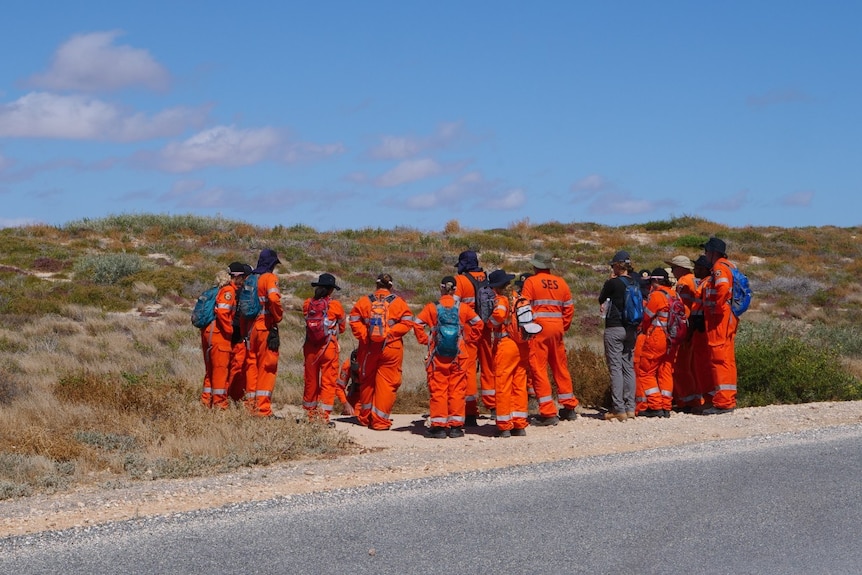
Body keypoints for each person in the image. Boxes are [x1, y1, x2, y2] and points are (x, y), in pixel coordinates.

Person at [413, 276, 484, 438]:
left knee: (439, 389)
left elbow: (417, 324)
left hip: (437, 356)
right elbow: (479, 324)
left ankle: (438, 427)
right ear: (455, 289)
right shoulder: (463, 308)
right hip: (459, 356)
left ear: (441, 288)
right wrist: (468, 340)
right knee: (457, 390)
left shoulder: (431, 307)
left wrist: (426, 340)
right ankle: (456, 427)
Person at [348, 273, 414, 430]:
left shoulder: (364, 301)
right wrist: (390, 334)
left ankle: (365, 418)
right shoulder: (398, 303)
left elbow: (354, 320)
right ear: (391, 286)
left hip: (368, 348)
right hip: (391, 348)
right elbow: (408, 322)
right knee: (387, 384)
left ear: (376, 285)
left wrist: (366, 337)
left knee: (367, 382)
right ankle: (380, 421)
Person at [520, 252, 579, 425]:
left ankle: (548, 412)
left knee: (538, 369)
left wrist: (527, 329)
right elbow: (569, 308)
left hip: (539, 329)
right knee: (560, 366)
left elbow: (524, 307)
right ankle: (569, 407)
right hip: (557, 328)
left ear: (535, 266)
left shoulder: (531, 282)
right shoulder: (561, 282)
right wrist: (562, 326)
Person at [453, 250, 495, 425]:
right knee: (489, 366)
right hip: (486, 329)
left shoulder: (460, 281)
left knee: (469, 368)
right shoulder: (487, 278)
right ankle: (494, 407)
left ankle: (470, 411)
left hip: (469, 330)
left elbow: (454, 306)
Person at [487, 269, 530, 437]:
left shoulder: (502, 300)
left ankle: (504, 425)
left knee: (503, 384)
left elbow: (498, 315)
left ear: (496, 287)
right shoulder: (519, 298)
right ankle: (519, 424)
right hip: (522, 346)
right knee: (519, 384)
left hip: (506, 345)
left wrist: (489, 324)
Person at [200, 262, 248, 409]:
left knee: (211, 371)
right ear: (238, 277)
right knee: (221, 370)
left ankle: (206, 402)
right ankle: (220, 405)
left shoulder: (220, 289)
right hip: (218, 336)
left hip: (209, 333)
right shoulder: (229, 291)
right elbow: (222, 312)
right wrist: (229, 330)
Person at [597, 250, 638, 421]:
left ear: (618, 265)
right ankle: (630, 408)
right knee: (628, 367)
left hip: (615, 328)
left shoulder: (613, 283)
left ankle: (618, 409)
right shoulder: (635, 282)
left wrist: (609, 279)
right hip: (631, 329)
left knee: (615, 369)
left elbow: (601, 298)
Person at [301, 273, 347, 426]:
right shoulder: (335, 305)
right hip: (328, 348)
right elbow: (342, 327)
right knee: (328, 382)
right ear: (331, 290)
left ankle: (309, 415)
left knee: (310, 381)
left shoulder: (307, 303)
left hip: (310, 348)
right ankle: (323, 417)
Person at [700, 237, 739, 415]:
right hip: (727, 318)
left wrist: (715, 308)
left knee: (719, 359)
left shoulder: (719, 268)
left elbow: (722, 289)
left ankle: (723, 402)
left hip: (719, 320)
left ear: (714, 252)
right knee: (727, 360)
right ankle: (728, 397)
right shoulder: (729, 266)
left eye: (707, 251)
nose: (705, 254)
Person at [244, 248, 284, 418]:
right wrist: (278, 316)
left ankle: (249, 407)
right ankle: (263, 410)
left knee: (251, 367)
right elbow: (274, 299)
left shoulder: (251, 278)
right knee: (267, 368)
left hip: (251, 329)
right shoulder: (269, 278)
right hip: (265, 328)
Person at [636, 268, 675, 417]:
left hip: (657, 338)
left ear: (656, 281)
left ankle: (655, 405)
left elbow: (647, 317)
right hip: (672, 339)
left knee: (646, 372)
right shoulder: (674, 294)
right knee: (665, 371)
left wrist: (643, 330)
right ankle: (666, 405)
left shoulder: (657, 296)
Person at [664, 255, 698, 412]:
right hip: (694, 327)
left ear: (681, 268)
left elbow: (681, 308)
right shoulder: (694, 279)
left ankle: (686, 400)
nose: (672, 270)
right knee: (691, 366)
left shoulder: (683, 283)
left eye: (674, 267)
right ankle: (693, 398)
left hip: (685, 328)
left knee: (680, 366)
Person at [226, 263, 253, 404]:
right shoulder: (242, 292)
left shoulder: (225, 290)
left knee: (226, 368)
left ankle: (223, 398)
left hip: (225, 335)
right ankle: (232, 398)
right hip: (237, 335)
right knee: (238, 369)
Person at [690, 255, 713, 411]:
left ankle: (709, 400)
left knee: (704, 366)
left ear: (705, 269)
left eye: (697, 267)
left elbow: (702, 308)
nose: (695, 270)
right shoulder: (704, 283)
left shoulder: (706, 284)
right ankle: (706, 399)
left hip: (703, 329)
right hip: (702, 327)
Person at [334, 350, 361, 416]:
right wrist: (346, 404)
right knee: (354, 415)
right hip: (356, 395)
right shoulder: (348, 365)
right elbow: (339, 387)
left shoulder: (375, 362)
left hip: (372, 396)